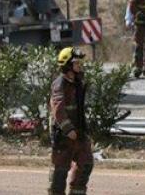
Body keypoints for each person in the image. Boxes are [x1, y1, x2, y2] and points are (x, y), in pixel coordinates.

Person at [49, 47, 93, 195]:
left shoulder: (79, 82)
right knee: (60, 171)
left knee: (85, 165)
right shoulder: (59, 84)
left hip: (79, 134)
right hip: (64, 136)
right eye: (76, 63)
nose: (79, 66)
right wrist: (68, 130)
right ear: (67, 65)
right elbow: (58, 110)